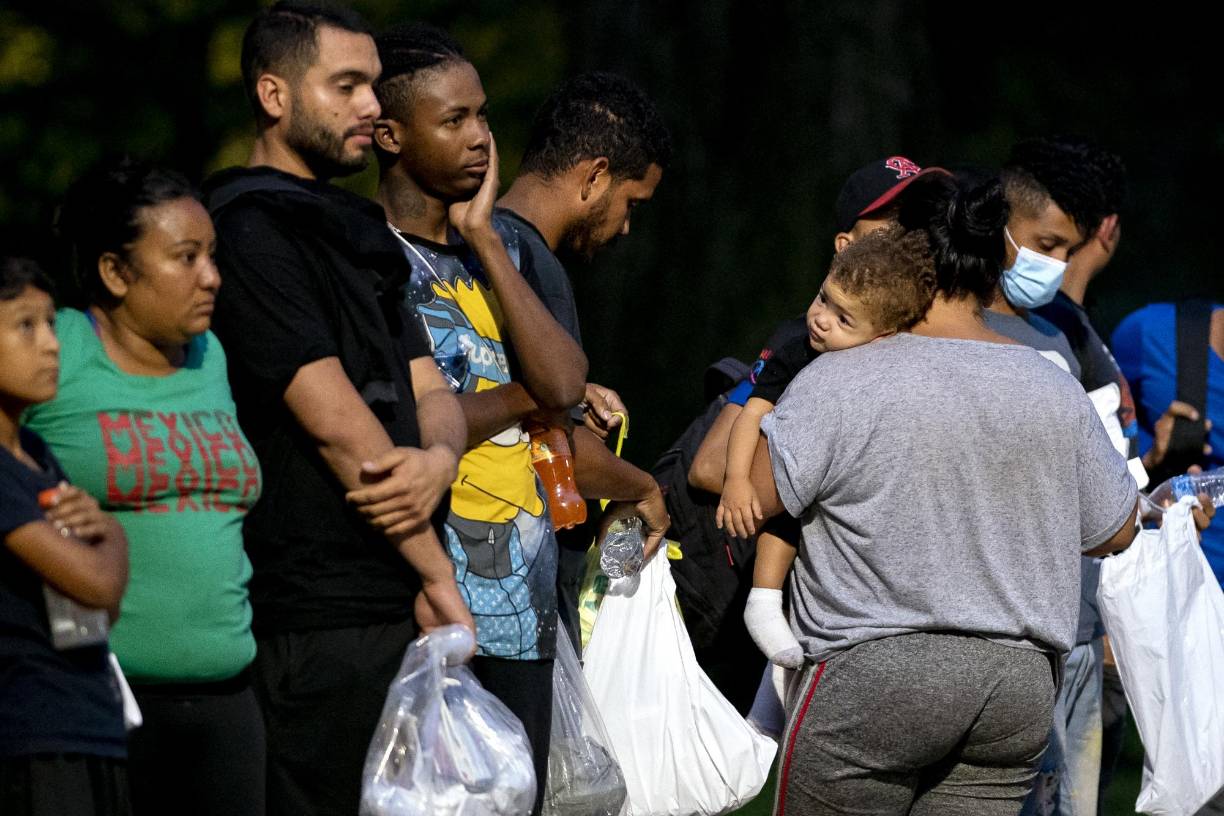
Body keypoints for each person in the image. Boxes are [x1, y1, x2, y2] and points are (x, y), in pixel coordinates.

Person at [748, 178, 1145, 815]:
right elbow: (1117, 528)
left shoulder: (844, 376)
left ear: (910, 266)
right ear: (995, 271)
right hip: (1014, 689)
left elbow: (762, 495)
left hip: (873, 671)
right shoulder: (1050, 385)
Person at [204, 4, 468, 814]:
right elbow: (336, 425)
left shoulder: (360, 229)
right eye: (346, 86)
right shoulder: (245, 229)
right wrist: (440, 577)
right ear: (275, 94)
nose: (371, 108)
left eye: (374, 88)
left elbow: (430, 388)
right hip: (309, 612)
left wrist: (441, 460)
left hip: (393, 600)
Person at [371, 23, 587, 814]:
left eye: (483, 116)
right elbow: (409, 423)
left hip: (522, 610)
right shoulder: (370, 259)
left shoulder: (509, 253)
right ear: (389, 135)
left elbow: (562, 380)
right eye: (453, 119)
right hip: (429, 607)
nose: (480, 138)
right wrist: (525, 397)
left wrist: (484, 240)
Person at [22, 159, 263, 816]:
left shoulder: (211, 354)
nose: (211, 276)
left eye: (211, 255)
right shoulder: (56, 346)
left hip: (229, 706)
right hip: (99, 708)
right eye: (185, 257)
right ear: (115, 272)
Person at [497, 70, 673, 648]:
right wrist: (644, 488)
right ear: (596, 175)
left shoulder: (477, 247)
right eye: (631, 203)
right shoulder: (535, 268)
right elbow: (564, 450)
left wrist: (575, 391)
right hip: (518, 600)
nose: (625, 227)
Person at [727, 227, 937, 669]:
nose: (821, 319)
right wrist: (737, 481)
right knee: (787, 516)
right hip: (788, 473)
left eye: (844, 320)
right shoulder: (796, 351)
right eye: (824, 299)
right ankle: (763, 598)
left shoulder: (883, 366)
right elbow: (750, 414)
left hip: (844, 506)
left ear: (882, 335)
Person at [993, 137, 1125, 816]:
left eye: (1068, 250)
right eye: (1045, 243)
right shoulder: (947, 325)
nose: (1056, 265)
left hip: (1073, 623)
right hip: (997, 631)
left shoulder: (1062, 332)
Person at [688, 155, 949, 494]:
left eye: (920, 219)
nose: (912, 236)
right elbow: (708, 467)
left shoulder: (929, 343)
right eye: (895, 222)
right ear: (845, 246)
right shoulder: (801, 340)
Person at [0, 257, 130, 816]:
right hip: (31, 736)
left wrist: (101, 537)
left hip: (85, 722)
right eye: (25, 326)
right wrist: (113, 532)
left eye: (52, 323)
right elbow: (97, 585)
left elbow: (99, 612)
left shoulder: (37, 455)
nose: (51, 344)